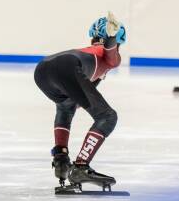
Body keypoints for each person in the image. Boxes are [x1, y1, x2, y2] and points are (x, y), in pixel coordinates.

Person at [34, 12, 126, 191]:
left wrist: (60, 153)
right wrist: (112, 38)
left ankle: (60, 158)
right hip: (68, 67)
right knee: (107, 117)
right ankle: (81, 166)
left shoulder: (89, 53)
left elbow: (73, 103)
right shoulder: (108, 55)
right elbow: (112, 59)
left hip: (42, 70)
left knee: (66, 106)